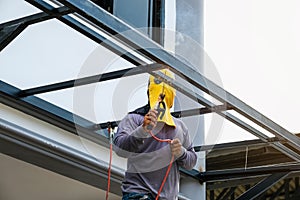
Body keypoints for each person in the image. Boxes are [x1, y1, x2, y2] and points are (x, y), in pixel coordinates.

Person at [113, 69, 197, 200]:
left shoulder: (180, 127)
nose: (163, 90)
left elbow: (192, 161)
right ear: (149, 91)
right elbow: (119, 148)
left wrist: (181, 152)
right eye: (158, 82)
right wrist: (142, 130)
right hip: (138, 194)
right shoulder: (135, 118)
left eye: (169, 84)